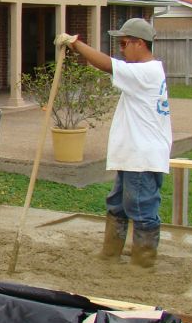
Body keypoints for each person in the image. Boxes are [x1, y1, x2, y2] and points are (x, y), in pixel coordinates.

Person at [56, 18, 172, 267]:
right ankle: (110, 254)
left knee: (141, 208)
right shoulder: (145, 72)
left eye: (123, 43)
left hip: (142, 157)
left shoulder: (147, 72)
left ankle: (144, 262)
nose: (121, 49)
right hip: (133, 154)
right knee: (118, 204)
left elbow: (107, 65)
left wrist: (76, 44)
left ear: (139, 43)